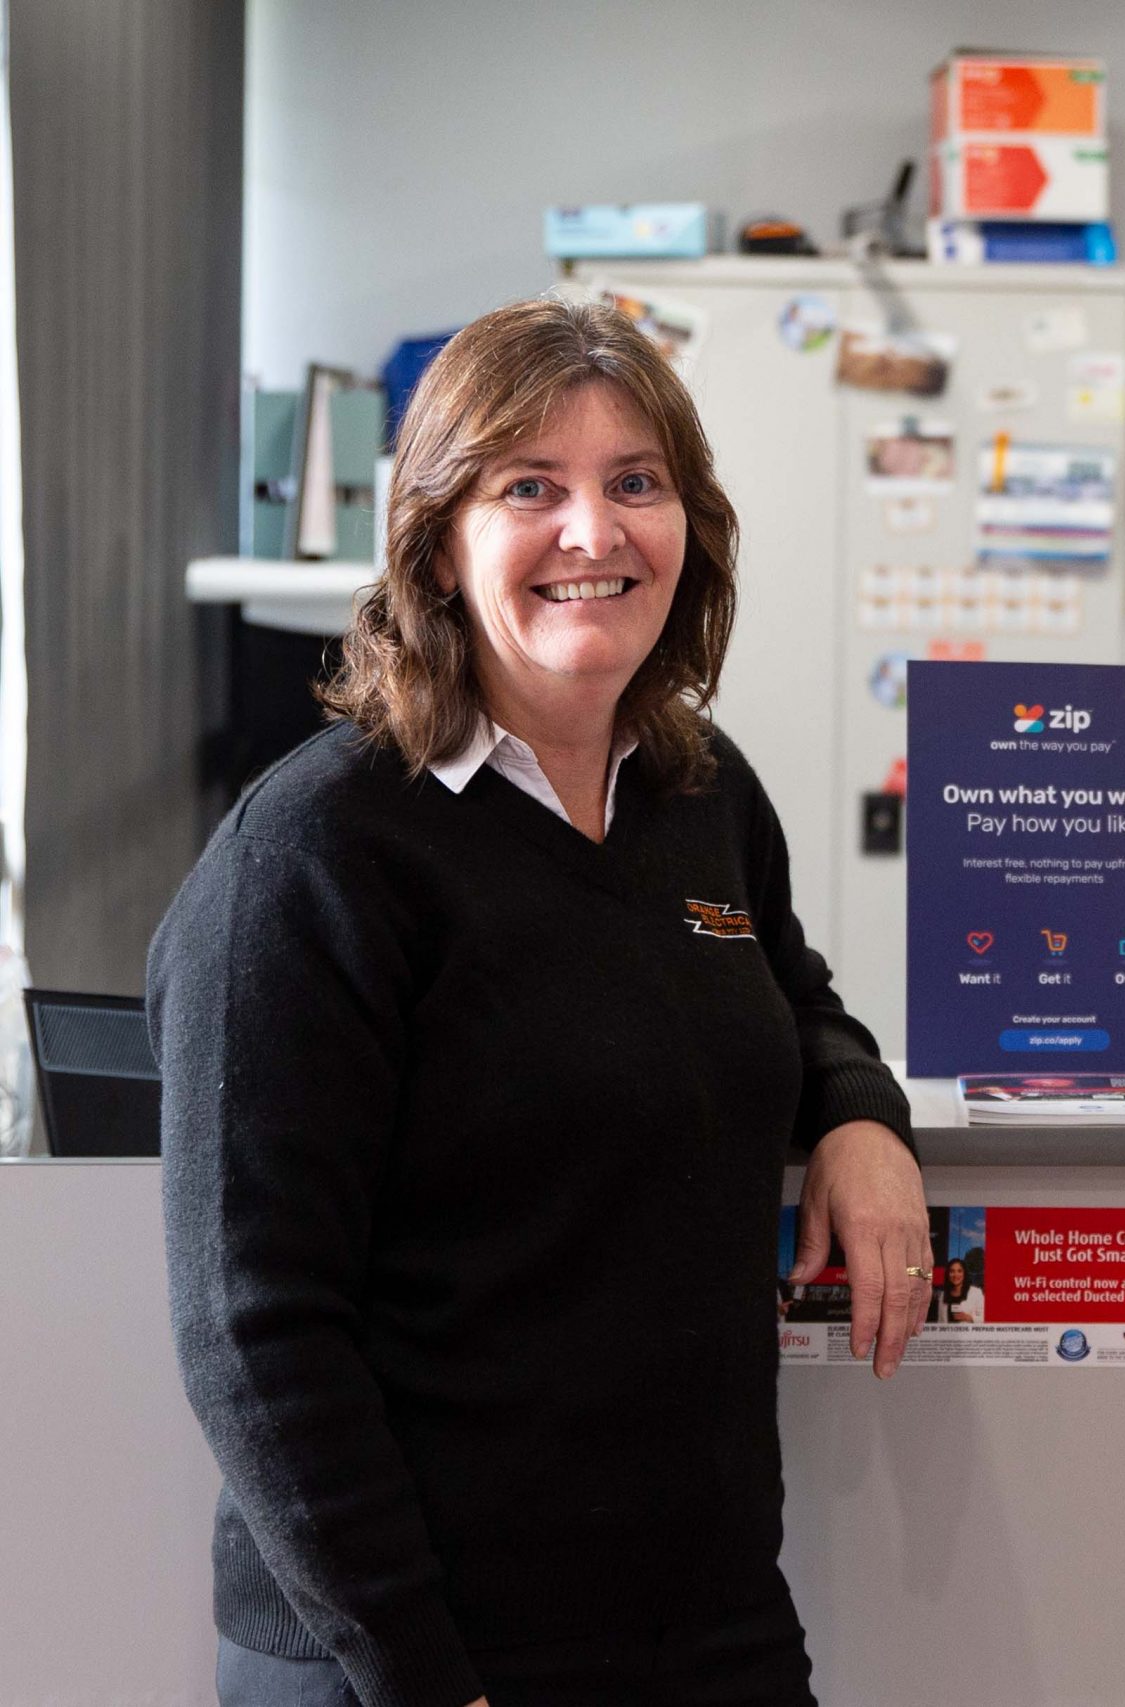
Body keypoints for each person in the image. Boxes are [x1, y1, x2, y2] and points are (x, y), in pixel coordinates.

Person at [150, 296, 934, 1707]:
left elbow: (785, 987)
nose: (596, 531)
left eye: (638, 481)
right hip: (412, 1643)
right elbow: (254, 1326)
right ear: (439, 544)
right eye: (531, 487)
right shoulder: (315, 851)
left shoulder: (701, 789)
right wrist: (421, 1672)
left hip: (702, 1612)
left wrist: (861, 1111)